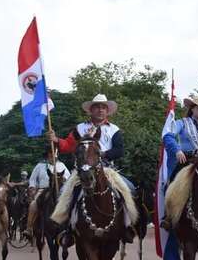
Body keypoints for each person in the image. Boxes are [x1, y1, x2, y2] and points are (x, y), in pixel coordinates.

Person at [47, 94, 136, 242]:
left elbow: (119, 150)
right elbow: (69, 145)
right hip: (83, 170)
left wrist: (103, 154)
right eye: (97, 107)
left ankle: (127, 226)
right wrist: (56, 140)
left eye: (103, 107)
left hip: (107, 169)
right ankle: (67, 229)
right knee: (64, 192)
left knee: (130, 188)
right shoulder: (80, 128)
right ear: (91, 110)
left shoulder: (114, 129)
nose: (100, 110)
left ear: (107, 111)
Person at [163, 94, 198, 181]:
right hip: (187, 161)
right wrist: (177, 150)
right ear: (192, 108)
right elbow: (168, 135)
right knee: (173, 186)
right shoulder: (182, 123)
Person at [24, 146, 70, 239]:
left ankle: (69, 228)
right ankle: (29, 228)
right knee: (33, 204)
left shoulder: (61, 165)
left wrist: (64, 179)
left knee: (69, 204)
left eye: (55, 153)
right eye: (52, 153)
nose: (54, 155)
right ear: (48, 154)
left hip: (59, 191)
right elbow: (32, 179)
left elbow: (69, 178)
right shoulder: (40, 165)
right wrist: (32, 187)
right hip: (42, 189)